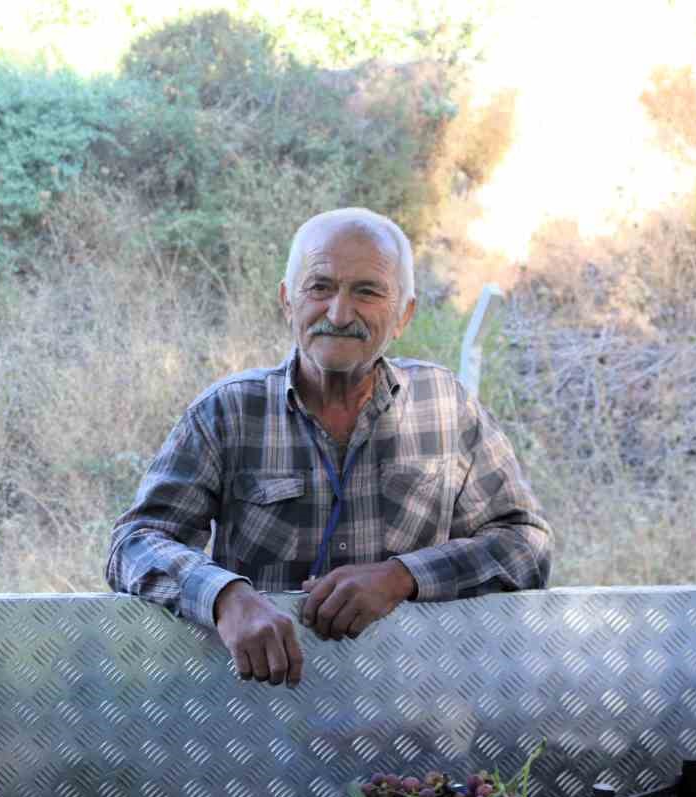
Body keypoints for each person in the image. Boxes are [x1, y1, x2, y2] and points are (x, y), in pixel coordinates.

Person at [106, 207, 551, 688]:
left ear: (404, 314)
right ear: (287, 301)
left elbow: (525, 544)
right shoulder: (229, 412)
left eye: (367, 291)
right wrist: (223, 596)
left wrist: (403, 576)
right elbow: (134, 543)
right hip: (263, 707)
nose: (339, 314)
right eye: (320, 287)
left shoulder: (446, 406)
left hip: (414, 704)